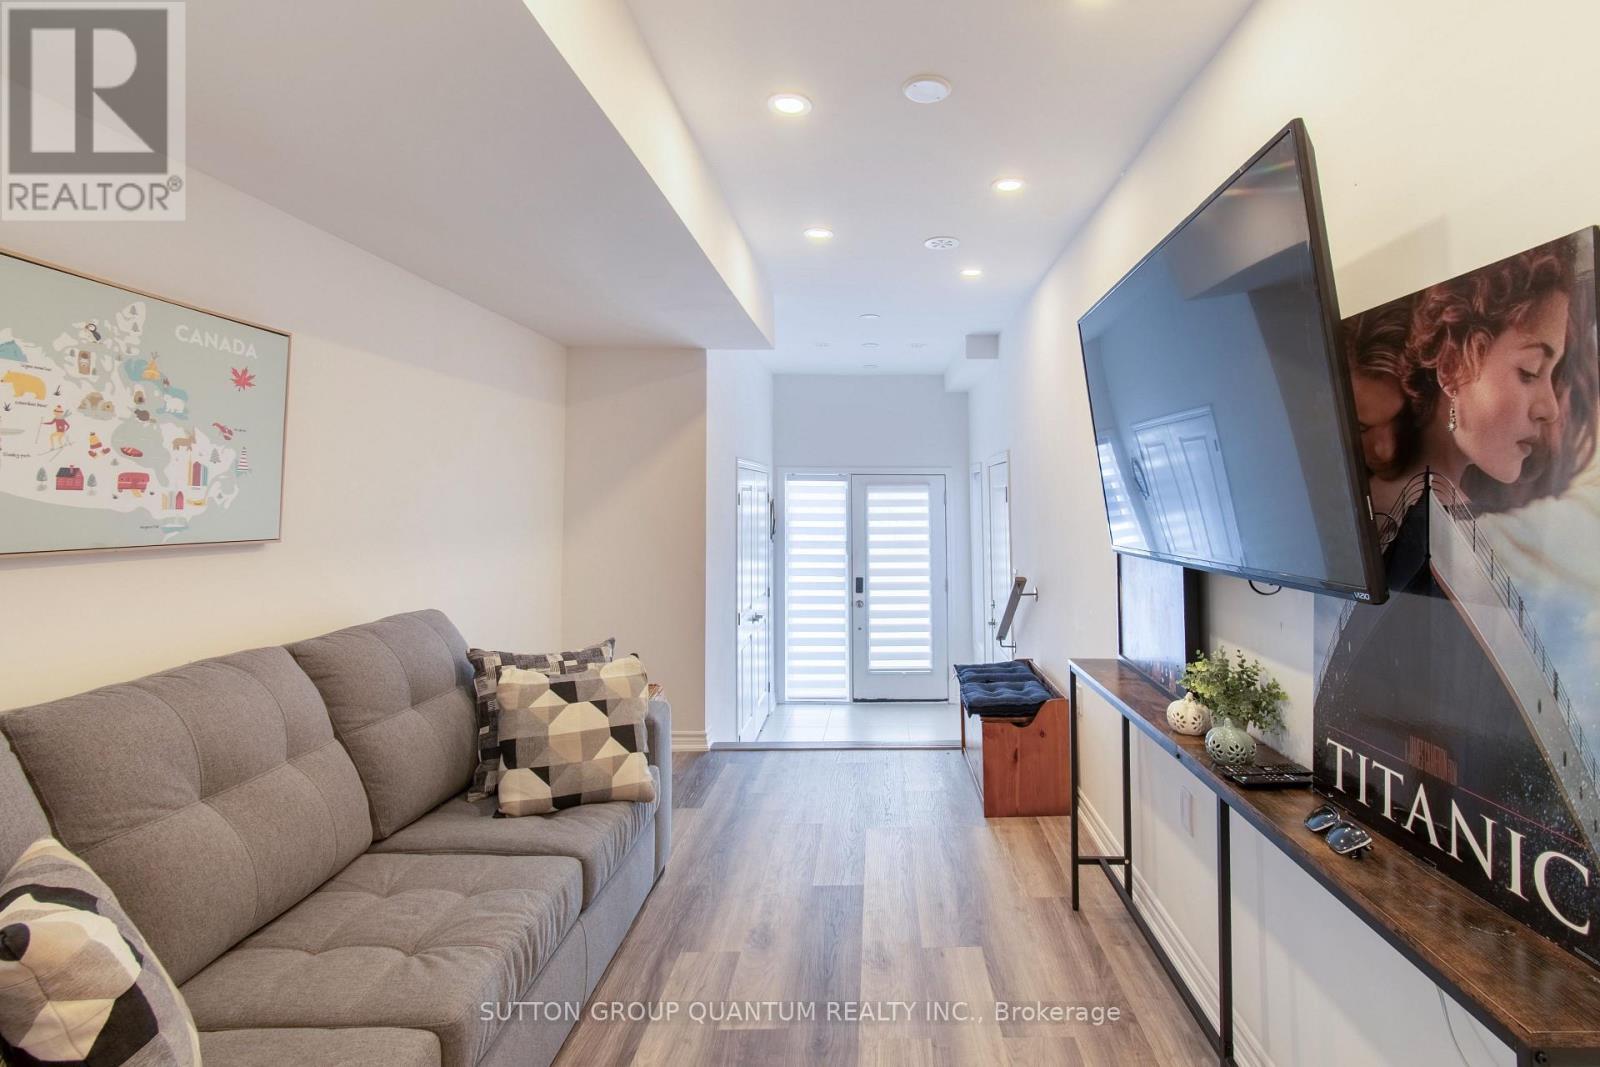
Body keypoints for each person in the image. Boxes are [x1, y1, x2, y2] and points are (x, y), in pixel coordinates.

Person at [1366, 235, 1595, 519]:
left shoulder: (1478, 521)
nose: (1550, 409)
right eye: (1530, 371)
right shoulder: (1390, 515)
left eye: (1552, 374)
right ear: (1451, 366)